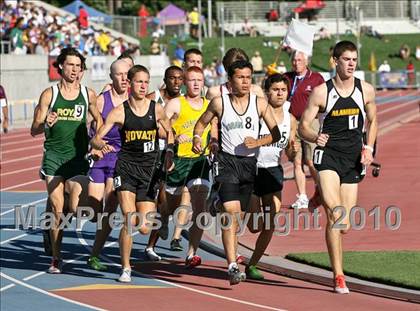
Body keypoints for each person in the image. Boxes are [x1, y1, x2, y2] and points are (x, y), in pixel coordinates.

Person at [192, 60, 281, 285]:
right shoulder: (219, 103)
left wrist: (258, 141)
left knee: (239, 218)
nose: (245, 81)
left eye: (249, 77)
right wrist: (196, 139)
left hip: (249, 166)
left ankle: (216, 201)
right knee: (231, 213)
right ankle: (232, 265)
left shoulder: (260, 104)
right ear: (230, 81)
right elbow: (201, 125)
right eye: (240, 77)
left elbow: (276, 134)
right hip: (227, 162)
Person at [299, 40, 377, 294]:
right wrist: (314, 137)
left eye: (354, 59)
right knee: (335, 214)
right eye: (347, 59)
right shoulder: (322, 92)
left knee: (344, 224)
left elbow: (373, 121)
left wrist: (369, 148)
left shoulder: (365, 90)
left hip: (352, 159)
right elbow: (303, 125)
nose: (352, 64)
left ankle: (320, 193)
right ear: (335, 61)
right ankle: (339, 275)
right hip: (328, 156)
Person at [91, 65, 174, 283]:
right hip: (126, 169)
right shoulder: (119, 111)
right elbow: (96, 137)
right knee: (129, 219)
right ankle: (126, 268)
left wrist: (170, 152)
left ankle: (130, 248)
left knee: (145, 228)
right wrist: (100, 144)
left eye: (146, 82)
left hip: (148, 172)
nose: (143, 85)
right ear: (130, 83)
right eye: (139, 81)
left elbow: (169, 131)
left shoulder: (156, 109)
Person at [31, 47, 103, 274]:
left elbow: (99, 122)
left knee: (75, 206)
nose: (75, 69)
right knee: (57, 208)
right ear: (61, 65)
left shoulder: (88, 94)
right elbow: (34, 129)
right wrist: (46, 123)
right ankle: (55, 257)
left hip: (77, 158)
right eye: (71, 65)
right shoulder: (49, 94)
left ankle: (55, 224)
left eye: (79, 66)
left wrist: (97, 143)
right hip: (53, 158)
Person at [245, 74, 297, 280]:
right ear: (267, 92)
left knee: (270, 223)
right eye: (275, 90)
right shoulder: (258, 114)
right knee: (254, 225)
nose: (279, 94)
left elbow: (292, 153)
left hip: (273, 172)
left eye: (283, 90)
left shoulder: (291, 120)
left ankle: (252, 265)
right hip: (253, 170)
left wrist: (293, 150)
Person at [163, 66, 216, 267]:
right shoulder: (175, 104)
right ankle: (163, 217)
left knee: (199, 209)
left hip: (199, 161)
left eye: (199, 80)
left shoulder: (210, 106)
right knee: (170, 207)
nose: (195, 84)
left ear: (203, 83)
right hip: (177, 161)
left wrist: (213, 144)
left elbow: (215, 130)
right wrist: (175, 137)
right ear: (185, 82)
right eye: (192, 80)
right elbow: (160, 127)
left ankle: (191, 253)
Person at [87, 59, 130, 271]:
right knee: (94, 209)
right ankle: (71, 203)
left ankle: (94, 254)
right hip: (101, 157)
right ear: (111, 77)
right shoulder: (102, 101)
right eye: (119, 74)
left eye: (126, 74)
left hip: (121, 159)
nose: (123, 78)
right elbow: (88, 129)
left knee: (110, 207)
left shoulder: (135, 100)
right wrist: (96, 145)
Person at [144, 65, 185, 260]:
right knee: (156, 200)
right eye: (172, 78)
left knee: (168, 205)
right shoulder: (153, 99)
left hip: (175, 155)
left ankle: (151, 245)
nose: (176, 82)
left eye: (179, 78)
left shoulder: (183, 101)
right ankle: (153, 236)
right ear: (165, 80)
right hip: (153, 154)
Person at [285, 50, 324, 210]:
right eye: (294, 60)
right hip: (292, 123)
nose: (296, 63)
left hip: (310, 123)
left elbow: (323, 99)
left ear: (306, 61)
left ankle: (320, 188)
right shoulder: (287, 78)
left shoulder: (316, 78)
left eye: (299, 60)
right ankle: (302, 196)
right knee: (296, 161)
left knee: (311, 160)